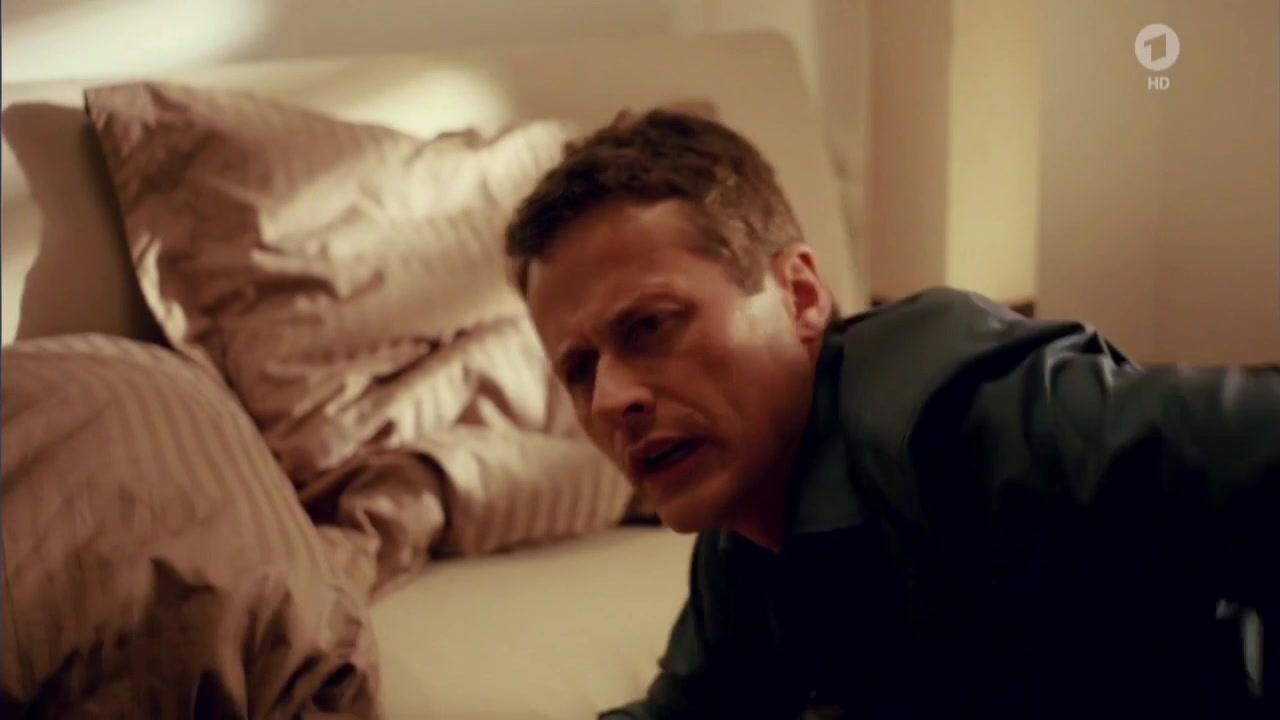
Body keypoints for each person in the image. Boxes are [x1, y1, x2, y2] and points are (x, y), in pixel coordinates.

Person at [503, 108, 1278, 719]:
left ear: (800, 295)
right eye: (580, 369)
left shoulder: (970, 423)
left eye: (650, 326)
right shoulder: (741, 539)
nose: (611, 400)